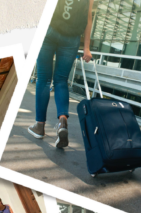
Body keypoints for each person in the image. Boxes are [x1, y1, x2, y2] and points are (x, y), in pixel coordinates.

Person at [28, 0, 94, 148]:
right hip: (72, 38)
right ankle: (62, 121)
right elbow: (88, 17)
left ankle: (40, 126)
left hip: (50, 29)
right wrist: (87, 48)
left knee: (44, 79)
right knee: (61, 81)